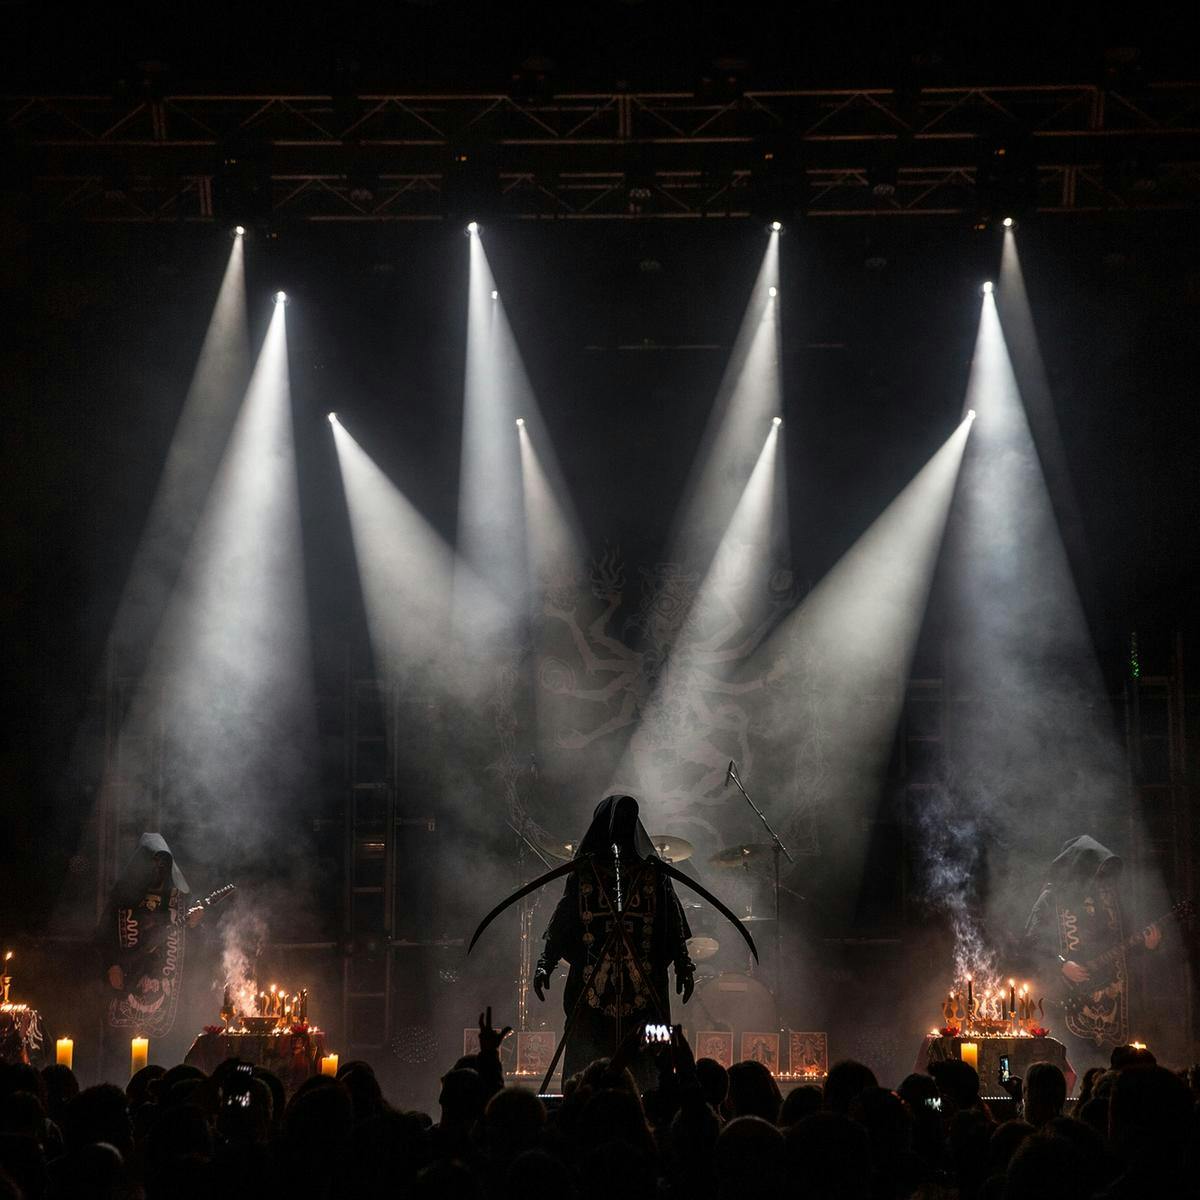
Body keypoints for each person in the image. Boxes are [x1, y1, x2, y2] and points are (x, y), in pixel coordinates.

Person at [532, 796, 696, 1082]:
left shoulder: (652, 873)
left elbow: (671, 919)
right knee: (587, 1053)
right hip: (593, 983)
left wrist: (683, 963)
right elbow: (565, 918)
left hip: (643, 985)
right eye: (617, 821)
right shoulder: (586, 872)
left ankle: (653, 1099)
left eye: (627, 821)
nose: (622, 828)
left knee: (649, 1052)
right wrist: (546, 961)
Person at [1022, 836, 1159, 1058]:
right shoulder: (1051, 897)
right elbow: (1032, 940)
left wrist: (1148, 945)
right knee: (1072, 1060)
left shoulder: (1111, 900)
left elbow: (1126, 940)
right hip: (1064, 1000)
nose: (1099, 878)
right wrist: (1061, 964)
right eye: (1095, 870)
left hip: (1110, 1002)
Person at [96, 834, 204, 1050]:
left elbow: (197, 947)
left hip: (164, 990)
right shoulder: (122, 896)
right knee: (122, 1051)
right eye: (153, 863)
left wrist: (194, 924)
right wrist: (112, 965)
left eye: (163, 864)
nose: (158, 870)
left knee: (162, 1055)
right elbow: (103, 935)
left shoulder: (179, 899)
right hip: (126, 980)